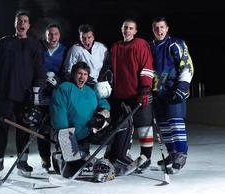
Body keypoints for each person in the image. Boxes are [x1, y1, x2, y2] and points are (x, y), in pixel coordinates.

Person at [0, 11, 46, 177]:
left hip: (25, 95)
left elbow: (39, 70)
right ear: (15, 24)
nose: (22, 23)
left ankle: (22, 163)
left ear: (28, 25)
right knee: (0, 128)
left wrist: (36, 91)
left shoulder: (34, 45)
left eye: (25, 21)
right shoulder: (3, 42)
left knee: (25, 129)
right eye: (19, 21)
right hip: (4, 94)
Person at [107, 19, 154, 174]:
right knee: (122, 127)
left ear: (135, 31)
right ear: (121, 29)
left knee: (144, 125)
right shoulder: (115, 47)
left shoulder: (140, 44)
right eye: (125, 28)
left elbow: (147, 66)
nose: (127, 30)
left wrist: (146, 88)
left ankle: (146, 157)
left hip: (138, 94)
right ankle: (122, 154)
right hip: (121, 95)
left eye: (131, 28)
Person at [49, 61, 112, 179]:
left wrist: (102, 114)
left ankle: (113, 159)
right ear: (73, 74)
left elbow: (104, 104)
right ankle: (60, 157)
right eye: (79, 73)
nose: (82, 77)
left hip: (87, 135)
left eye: (85, 74)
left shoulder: (91, 90)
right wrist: (67, 141)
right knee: (72, 172)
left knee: (116, 130)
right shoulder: (64, 89)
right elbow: (59, 118)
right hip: (67, 135)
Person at [150, 17, 194, 172]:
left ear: (167, 28)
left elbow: (186, 64)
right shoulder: (150, 47)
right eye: (156, 28)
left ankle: (181, 153)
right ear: (153, 29)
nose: (159, 30)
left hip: (173, 91)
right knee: (164, 126)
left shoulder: (175, 43)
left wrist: (182, 86)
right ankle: (172, 153)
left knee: (175, 124)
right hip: (158, 93)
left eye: (162, 27)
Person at [37, 23, 67, 172]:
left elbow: (67, 70)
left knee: (62, 124)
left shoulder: (64, 50)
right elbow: (34, 68)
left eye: (55, 34)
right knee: (43, 127)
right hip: (42, 92)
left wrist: (58, 81)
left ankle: (67, 155)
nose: (52, 37)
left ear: (59, 36)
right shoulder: (39, 48)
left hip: (58, 93)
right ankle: (45, 158)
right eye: (50, 34)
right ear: (45, 35)